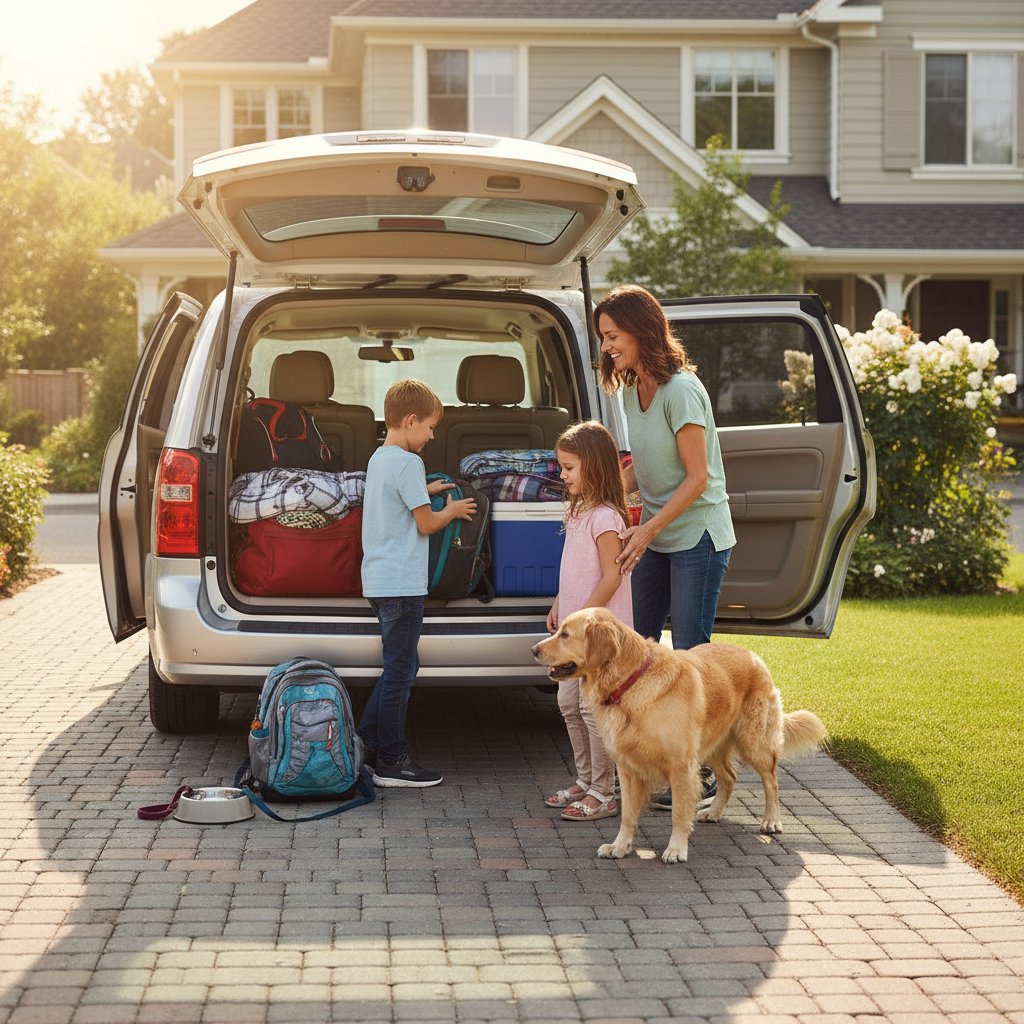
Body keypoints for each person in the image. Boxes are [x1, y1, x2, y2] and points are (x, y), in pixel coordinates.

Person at [594, 284, 736, 811]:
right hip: (654, 531)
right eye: (604, 338)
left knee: (692, 652)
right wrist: (605, 498)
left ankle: (696, 773)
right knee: (639, 643)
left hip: (696, 535)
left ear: (641, 329)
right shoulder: (633, 391)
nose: (607, 346)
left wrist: (646, 530)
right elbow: (648, 470)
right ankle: (647, 760)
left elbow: (697, 478)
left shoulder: (682, 391)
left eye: (613, 335)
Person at [360, 378, 477, 788]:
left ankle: (368, 746)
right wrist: (453, 509)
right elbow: (426, 523)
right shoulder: (410, 463)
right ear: (411, 421)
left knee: (401, 667)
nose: (431, 435)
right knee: (400, 673)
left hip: (378, 581)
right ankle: (392, 761)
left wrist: (424, 491)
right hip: (403, 586)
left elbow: (396, 499)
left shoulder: (380, 458)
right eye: (429, 427)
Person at [544, 420, 634, 821]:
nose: (563, 475)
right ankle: (586, 780)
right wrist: (560, 604)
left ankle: (606, 790)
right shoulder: (579, 511)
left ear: (594, 466)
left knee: (591, 710)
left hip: (595, 641)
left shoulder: (606, 518)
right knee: (568, 703)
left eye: (569, 468)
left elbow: (612, 575)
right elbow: (574, 570)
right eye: (561, 467)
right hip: (573, 636)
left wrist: (579, 619)